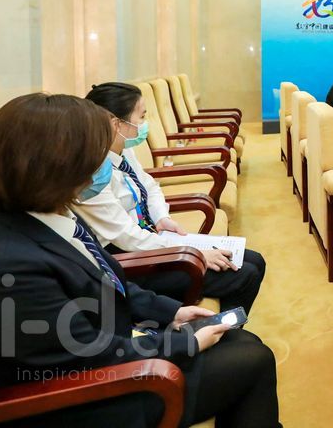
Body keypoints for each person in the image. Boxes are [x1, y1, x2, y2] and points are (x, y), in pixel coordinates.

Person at [0, 93, 279, 427]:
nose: (103, 162)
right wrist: (186, 342)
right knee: (251, 359)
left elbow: (108, 279)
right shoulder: (8, 267)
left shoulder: (52, 218)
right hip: (66, 402)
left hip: (96, 365)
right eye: (94, 153)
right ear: (58, 165)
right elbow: (89, 359)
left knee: (240, 341)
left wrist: (172, 312)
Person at [80, 82, 267, 314]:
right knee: (245, 274)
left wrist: (161, 217)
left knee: (255, 260)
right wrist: (191, 252)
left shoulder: (122, 149)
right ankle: (222, 330)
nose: (144, 124)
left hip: (150, 239)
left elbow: (149, 186)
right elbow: (126, 237)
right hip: (130, 262)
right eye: (141, 117)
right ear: (116, 123)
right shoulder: (93, 174)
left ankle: (225, 325)